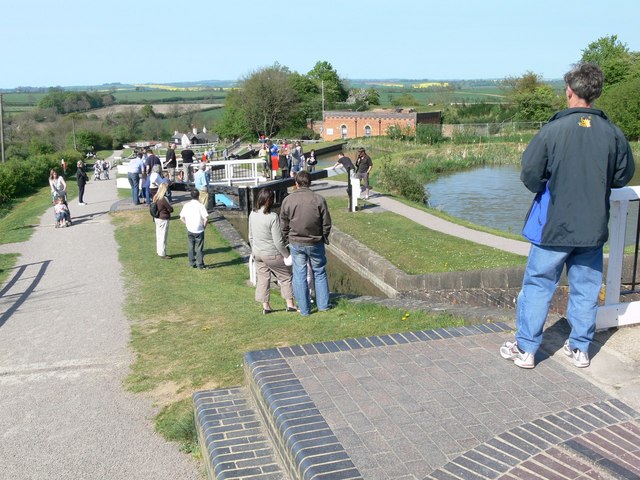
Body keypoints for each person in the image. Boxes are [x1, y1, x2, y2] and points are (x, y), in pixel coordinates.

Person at [500, 63, 635, 370]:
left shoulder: (552, 131)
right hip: (592, 228)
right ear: (596, 94)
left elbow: (530, 174)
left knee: (538, 284)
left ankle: (526, 349)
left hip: (554, 227)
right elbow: (623, 175)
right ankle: (580, 349)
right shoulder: (612, 133)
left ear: (570, 92)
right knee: (586, 288)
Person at [280, 171, 332, 316]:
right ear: (310, 183)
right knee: (319, 272)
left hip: (296, 242)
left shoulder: (288, 200)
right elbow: (326, 223)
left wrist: (286, 239)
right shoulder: (319, 199)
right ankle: (323, 306)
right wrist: (324, 237)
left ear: (296, 184)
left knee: (299, 274)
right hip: (315, 241)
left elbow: (283, 223)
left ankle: (304, 309)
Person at [249, 189, 297, 314]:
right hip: (271, 253)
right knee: (286, 277)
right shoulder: (272, 217)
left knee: (263, 278)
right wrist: (287, 255)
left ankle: (266, 307)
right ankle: (290, 304)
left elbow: (251, 236)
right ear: (270, 201)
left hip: (258, 253)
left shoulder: (252, 214)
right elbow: (278, 241)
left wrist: (254, 251)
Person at [179, 189, 209, 269]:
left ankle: (192, 263)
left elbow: (181, 217)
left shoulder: (187, 205)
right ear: (198, 196)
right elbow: (206, 219)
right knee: (199, 248)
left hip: (190, 229)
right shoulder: (201, 206)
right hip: (199, 229)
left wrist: (187, 224)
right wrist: (204, 227)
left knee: (191, 247)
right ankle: (200, 264)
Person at [153, 182, 173, 259]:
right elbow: (170, 209)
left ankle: (159, 251)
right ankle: (162, 253)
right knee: (163, 236)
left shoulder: (156, 197)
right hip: (163, 219)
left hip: (157, 218)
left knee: (159, 235)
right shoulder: (163, 199)